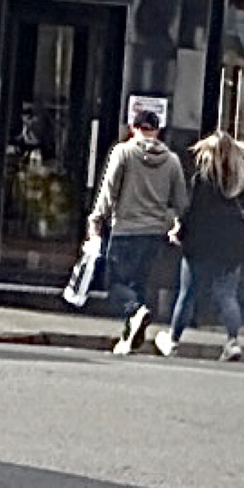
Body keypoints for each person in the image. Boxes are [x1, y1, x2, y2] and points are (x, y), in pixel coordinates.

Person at [87, 111, 188, 355]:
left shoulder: (123, 152)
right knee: (139, 283)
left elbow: (108, 190)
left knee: (115, 283)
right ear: (158, 130)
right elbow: (181, 202)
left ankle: (135, 312)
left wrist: (96, 220)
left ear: (133, 127)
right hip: (154, 233)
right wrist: (174, 223)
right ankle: (129, 337)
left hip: (125, 229)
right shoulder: (172, 161)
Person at [162, 132, 244, 362]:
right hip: (231, 247)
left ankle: (173, 340)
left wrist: (178, 232)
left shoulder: (202, 181)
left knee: (187, 294)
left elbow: (191, 212)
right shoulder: (241, 182)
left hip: (201, 245)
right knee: (227, 295)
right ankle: (232, 341)